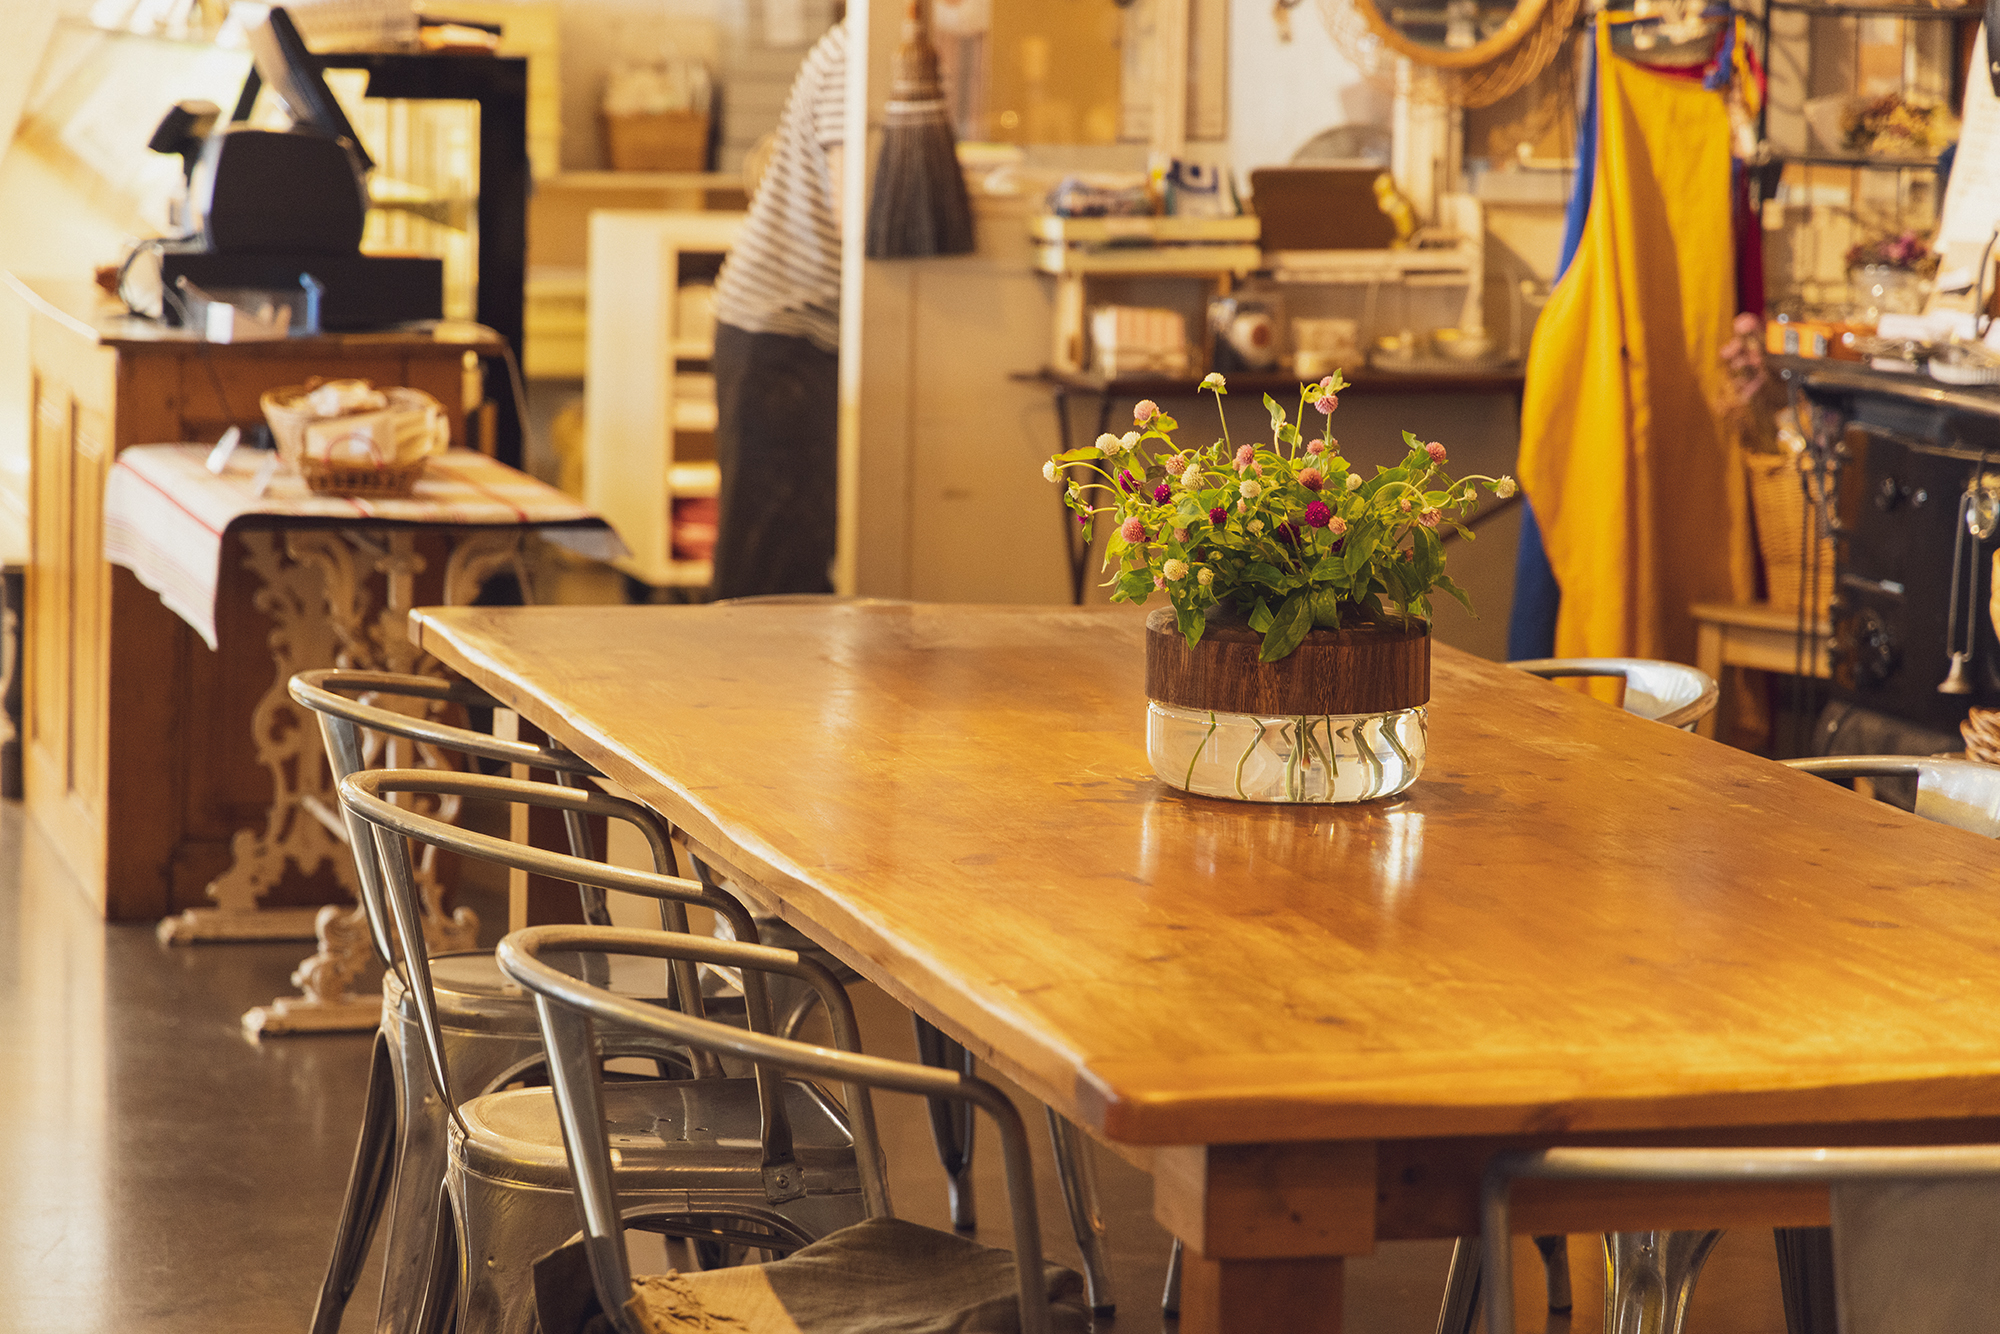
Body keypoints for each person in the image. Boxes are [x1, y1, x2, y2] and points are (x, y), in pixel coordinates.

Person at [709, 14, 846, 599]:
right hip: (785, 335)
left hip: (804, 334)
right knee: (769, 578)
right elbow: (855, 212)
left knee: (798, 563)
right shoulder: (856, 57)